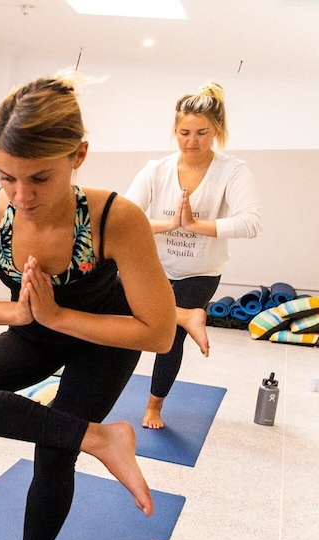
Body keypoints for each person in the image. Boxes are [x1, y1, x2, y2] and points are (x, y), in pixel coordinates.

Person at [0, 74, 177, 540]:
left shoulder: (118, 217)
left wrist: (62, 315)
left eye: (40, 177)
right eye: (7, 177)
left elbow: (157, 333)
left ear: (78, 156)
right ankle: (102, 438)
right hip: (36, 326)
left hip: (104, 336)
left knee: (53, 451)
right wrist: (17, 314)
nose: (22, 196)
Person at [125, 82, 262, 429]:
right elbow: (127, 215)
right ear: (175, 130)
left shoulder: (233, 170)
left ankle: (153, 407)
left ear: (216, 129)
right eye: (184, 132)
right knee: (124, 317)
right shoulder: (156, 169)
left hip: (200, 271)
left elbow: (251, 222)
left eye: (202, 132)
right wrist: (170, 224)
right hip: (155, 266)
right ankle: (186, 317)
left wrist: (196, 225)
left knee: (169, 339)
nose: (192, 141)